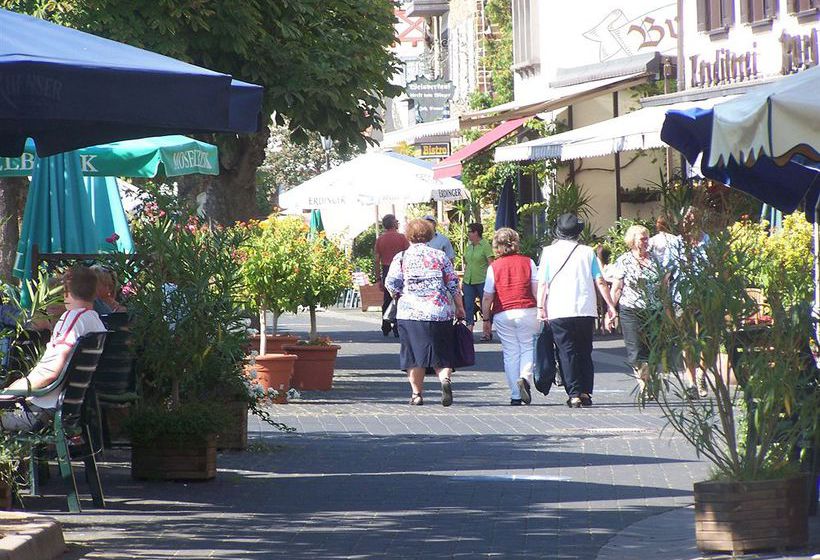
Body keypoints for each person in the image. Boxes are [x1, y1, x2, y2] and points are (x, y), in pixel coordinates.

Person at [0, 266, 106, 431]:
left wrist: (10, 391)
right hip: (65, 406)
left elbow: (50, 370)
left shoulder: (73, 319)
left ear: (65, 292)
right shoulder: (95, 322)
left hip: (40, 411)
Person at [536, 214, 617, 408]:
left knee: (566, 352)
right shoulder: (588, 252)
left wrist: (540, 307)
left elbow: (543, 283)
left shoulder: (548, 252)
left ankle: (573, 394)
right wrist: (610, 305)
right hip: (584, 308)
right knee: (584, 351)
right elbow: (600, 280)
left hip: (558, 308)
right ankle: (586, 391)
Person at [385, 219, 465, 407]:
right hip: (439, 311)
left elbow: (391, 283)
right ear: (429, 235)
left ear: (408, 235)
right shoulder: (440, 256)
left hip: (411, 313)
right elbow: (453, 284)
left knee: (413, 355)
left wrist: (399, 295)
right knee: (443, 352)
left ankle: (417, 394)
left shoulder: (402, 257)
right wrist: (459, 307)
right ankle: (445, 379)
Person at [481, 228, 539, 405]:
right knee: (528, 347)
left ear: (496, 246)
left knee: (510, 353)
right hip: (527, 309)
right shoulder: (528, 262)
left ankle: (515, 394)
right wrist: (543, 309)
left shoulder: (494, 267)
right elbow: (536, 289)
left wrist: (485, 319)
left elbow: (488, 295)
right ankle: (525, 378)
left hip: (503, 312)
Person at [609, 225, 664, 396]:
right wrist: (611, 310)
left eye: (647, 238)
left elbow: (663, 286)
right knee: (635, 350)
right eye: (642, 238)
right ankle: (643, 384)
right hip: (631, 310)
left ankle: (650, 380)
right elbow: (617, 288)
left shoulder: (656, 260)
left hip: (653, 311)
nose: (646, 242)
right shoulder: (624, 260)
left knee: (652, 349)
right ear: (633, 241)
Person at [667, 206, 711, 398]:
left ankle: (702, 372)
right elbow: (668, 272)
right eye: (687, 219)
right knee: (687, 342)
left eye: (694, 218)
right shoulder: (676, 243)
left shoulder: (707, 241)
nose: (690, 222)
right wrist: (666, 300)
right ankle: (691, 381)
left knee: (707, 341)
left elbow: (714, 267)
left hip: (704, 296)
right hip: (681, 298)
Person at [373, 214, 409, 337]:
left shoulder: (380, 240)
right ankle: (397, 326)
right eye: (397, 221)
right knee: (400, 298)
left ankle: (385, 324)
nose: (398, 223)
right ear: (393, 224)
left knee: (387, 298)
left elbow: (377, 260)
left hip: (386, 268)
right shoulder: (402, 238)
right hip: (400, 268)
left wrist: (378, 278)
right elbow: (408, 255)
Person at [462, 222, 494, 339]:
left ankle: (487, 330)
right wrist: (464, 280)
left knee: (484, 306)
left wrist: (490, 278)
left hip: (482, 280)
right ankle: (469, 329)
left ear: (476, 232)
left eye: (470, 231)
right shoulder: (469, 246)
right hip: (468, 280)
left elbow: (491, 263)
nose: (468, 234)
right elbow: (467, 263)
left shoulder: (485, 245)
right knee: (468, 305)